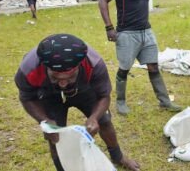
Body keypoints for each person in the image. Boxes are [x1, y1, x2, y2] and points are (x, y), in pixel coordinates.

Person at [14, 34, 140, 171]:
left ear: (79, 67)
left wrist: (94, 118)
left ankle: (118, 157)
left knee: (104, 120)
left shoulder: (94, 63)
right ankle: (62, 168)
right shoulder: (29, 68)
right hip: (49, 95)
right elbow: (27, 98)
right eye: (56, 78)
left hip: (83, 90)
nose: (62, 84)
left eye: (69, 78)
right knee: (54, 135)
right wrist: (44, 120)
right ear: (46, 68)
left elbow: (104, 96)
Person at [98, 0, 181, 115]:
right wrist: (109, 27)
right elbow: (103, 1)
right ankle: (120, 102)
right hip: (127, 34)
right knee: (124, 69)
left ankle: (165, 101)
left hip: (146, 32)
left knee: (153, 67)